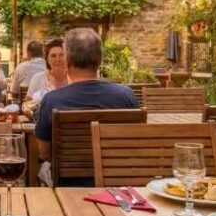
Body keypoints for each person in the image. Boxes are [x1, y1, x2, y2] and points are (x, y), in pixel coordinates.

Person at [34, 28, 139, 169]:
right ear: (100, 59)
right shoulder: (126, 95)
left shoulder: (52, 100)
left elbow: (43, 153)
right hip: (116, 182)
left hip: (67, 186)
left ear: (67, 60)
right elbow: (135, 144)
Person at [21, 38, 68, 116]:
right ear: (47, 59)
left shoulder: (74, 78)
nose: (58, 59)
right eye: (53, 56)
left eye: (61, 55)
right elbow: (25, 105)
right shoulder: (38, 78)